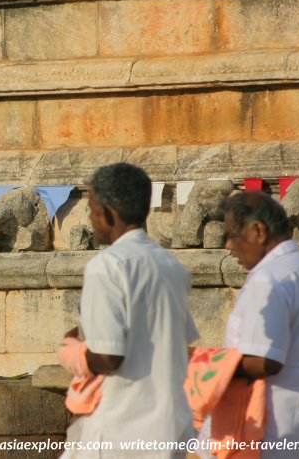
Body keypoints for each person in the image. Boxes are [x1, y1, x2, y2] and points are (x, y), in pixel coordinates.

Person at [61, 163, 198, 457]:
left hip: (123, 431)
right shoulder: (171, 265)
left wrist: (74, 353)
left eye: (92, 209)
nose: (90, 217)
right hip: (169, 429)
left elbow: (108, 356)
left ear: (108, 213)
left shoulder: (107, 266)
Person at [221, 191, 299, 458]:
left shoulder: (269, 280)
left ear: (258, 231)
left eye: (233, 235)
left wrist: (205, 364)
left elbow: (265, 361)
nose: (228, 245)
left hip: (274, 437)